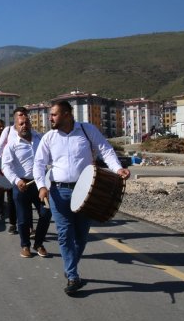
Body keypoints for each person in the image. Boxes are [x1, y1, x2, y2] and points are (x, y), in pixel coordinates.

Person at [33, 100, 131, 295]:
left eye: (54, 114)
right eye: (50, 114)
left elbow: (105, 149)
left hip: (86, 191)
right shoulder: (49, 138)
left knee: (81, 236)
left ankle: (71, 267)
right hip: (58, 192)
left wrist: (117, 168)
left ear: (67, 114)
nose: (50, 118)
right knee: (64, 234)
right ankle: (72, 275)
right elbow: (39, 163)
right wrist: (41, 186)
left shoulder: (87, 130)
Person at [1, 114, 51, 258]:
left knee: (46, 213)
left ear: (30, 124)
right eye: (21, 123)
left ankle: (38, 243)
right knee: (23, 218)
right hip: (21, 185)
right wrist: (16, 180)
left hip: (40, 184)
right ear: (15, 127)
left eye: (26, 123)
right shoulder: (12, 145)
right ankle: (25, 245)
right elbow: (6, 166)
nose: (24, 125)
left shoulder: (40, 140)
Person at [0, 107, 29, 234]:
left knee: (25, 200)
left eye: (25, 114)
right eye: (20, 115)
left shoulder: (29, 130)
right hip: (9, 170)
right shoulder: (8, 130)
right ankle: (13, 224)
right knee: (12, 198)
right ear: (15, 118)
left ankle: (28, 226)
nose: (23, 117)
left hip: (25, 171)